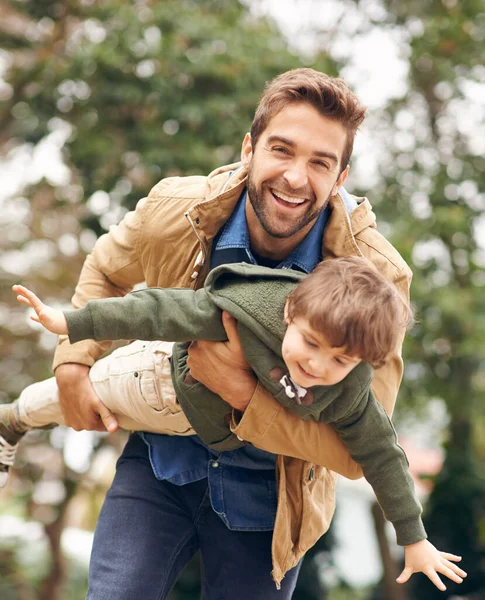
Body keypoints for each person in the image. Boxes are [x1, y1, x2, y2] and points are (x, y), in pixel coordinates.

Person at [4, 68, 455, 597]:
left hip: (274, 497)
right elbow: (114, 278)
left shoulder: (378, 283)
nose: (294, 176)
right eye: (281, 150)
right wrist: (72, 366)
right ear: (249, 148)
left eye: (319, 163)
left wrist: (241, 394)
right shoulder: (177, 211)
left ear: (341, 179)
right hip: (160, 458)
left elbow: (360, 448)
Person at [4, 257, 467, 592]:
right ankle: (11, 421)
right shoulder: (248, 309)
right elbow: (158, 309)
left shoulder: (351, 395)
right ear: (290, 314)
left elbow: (384, 457)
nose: (317, 365)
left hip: (211, 430)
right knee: (72, 401)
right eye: (309, 341)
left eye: (341, 360)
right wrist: (72, 321)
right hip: (157, 382)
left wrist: (414, 538)